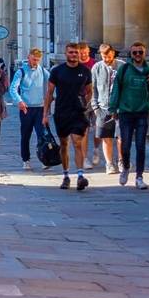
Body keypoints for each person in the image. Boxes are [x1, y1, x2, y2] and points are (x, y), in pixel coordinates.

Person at [109, 42, 149, 190]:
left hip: (142, 113)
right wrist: (113, 108)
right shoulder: (124, 69)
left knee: (140, 146)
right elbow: (116, 89)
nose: (138, 55)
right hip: (125, 113)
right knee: (125, 146)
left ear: (144, 54)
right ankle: (126, 167)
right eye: (135, 53)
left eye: (140, 52)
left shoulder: (148, 70)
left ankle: (139, 177)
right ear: (131, 55)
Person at [43, 42, 94, 191]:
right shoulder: (57, 71)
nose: (73, 55)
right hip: (61, 111)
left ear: (79, 54)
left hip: (78, 112)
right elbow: (49, 93)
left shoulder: (85, 71)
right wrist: (45, 114)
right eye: (71, 52)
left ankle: (80, 175)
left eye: (76, 53)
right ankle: (65, 175)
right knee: (64, 144)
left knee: (77, 142)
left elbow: (90, 90)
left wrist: (86, 101)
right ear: (66, 54)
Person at [9, 48, 48, 170]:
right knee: (26, 135)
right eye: (33, 59)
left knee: (42, 135)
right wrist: (19, 101)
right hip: (26, 108)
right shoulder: (21, 71)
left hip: (40, 108)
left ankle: (44, 159)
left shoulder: (42, 70)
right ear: (28, 57)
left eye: (37, 60)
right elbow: (13, 88)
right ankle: (26, 159)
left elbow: (53, 82)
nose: (35, 62)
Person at [90, 44, 121, 174]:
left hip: (120, 108)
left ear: (113, 53)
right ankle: (109, 163)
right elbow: (93, 88)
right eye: (104, 57)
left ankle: (121, 160)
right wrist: (95, 106)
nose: (106, 59)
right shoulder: (97, 67)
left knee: (121, 137)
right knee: (106, 137)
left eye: (108, 56)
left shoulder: (122, 66)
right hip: (102, 107)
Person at [77, 41, 99, 168]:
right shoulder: (75, 65)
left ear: (88, 52)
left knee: (98, 129)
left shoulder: (95, 64)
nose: (84, 55)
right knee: (84, 131)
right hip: (81, 101)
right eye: (81, 53)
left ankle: (96, 149)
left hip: (96, 100)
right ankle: (85, 159)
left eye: (85, 52)